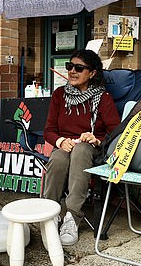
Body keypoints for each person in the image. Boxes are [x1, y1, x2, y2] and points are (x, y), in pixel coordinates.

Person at [42, 49, 120, 245]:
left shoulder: (103, 98)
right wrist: (60, 141)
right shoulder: (60, 94)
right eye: (70, 67)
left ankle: (72, 217)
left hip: (91, 148)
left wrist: (96, 139)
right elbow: (49, 129)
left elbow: (116, 132)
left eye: (79, 68)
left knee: (81, 148)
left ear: (92, 73)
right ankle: (49, 213)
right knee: (58, 157)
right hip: (65, 147)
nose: (72, 71)